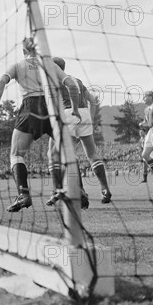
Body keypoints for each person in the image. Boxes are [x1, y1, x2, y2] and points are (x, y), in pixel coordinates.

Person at [0, 37, 82, 213]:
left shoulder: (18, 66)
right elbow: (72, 84)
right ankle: (80, 191)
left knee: (16, 154)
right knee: (67, 151)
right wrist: (75, 109)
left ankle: (23, 194)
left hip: (30, 108)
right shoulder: (50, 65)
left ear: (24, 51)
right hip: (52, 109)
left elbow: (2, 81)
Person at [46, 57, 112, 208]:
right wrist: (92, 118)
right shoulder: (77, 80)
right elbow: (93, 100)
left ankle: (73, 190)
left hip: (68, 114)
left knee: (53, 154)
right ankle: (105, 189)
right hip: (85, 114)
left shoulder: (54, 82)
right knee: (92, 154)